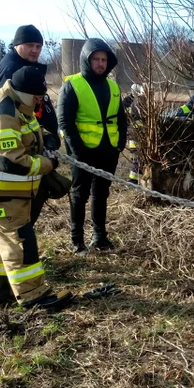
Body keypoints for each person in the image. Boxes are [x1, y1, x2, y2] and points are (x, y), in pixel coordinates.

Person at [0, 66, 73, 311]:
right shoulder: (2, 111)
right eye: (36, 97)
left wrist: (45, 139)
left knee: (2, 240)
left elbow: (23, 137)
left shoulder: (15, 104)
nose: (39, 101)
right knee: (20, 241)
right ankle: (34, 296)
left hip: (5, 192)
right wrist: (48, 164)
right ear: (25, 93)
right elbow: (12, 162)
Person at [58, 38, 128, 254]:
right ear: (86, 60)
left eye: (104, 59)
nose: (100, 63)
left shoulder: (113, 87)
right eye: (96, 59)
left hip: (109, 151)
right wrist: (77, 150)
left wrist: (120, 143)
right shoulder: (72, 85)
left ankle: (100, 237)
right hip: (82, 152)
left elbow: (120, 117)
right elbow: (65, 122)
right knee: (80, 195)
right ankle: (77, 240)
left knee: (101, 194)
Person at [0, 25, 59, 225]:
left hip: (30, 139)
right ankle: (23, 246)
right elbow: (20, 112)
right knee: (22, 212)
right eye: (30, 45)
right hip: (22, 145)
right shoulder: (13, 70)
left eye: (39, 46)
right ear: (17, 45)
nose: (35, 50)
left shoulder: (22, 66)